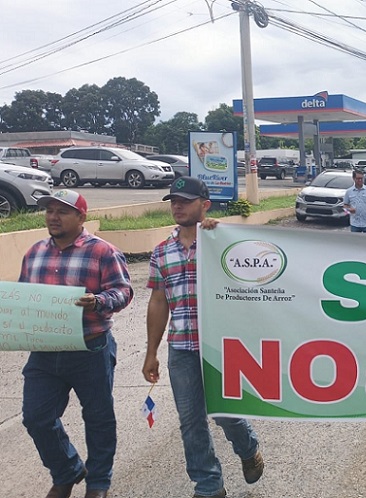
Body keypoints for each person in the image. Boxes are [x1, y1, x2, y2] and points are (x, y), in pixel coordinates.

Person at [143, 177, 264, 498]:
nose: (178, 206)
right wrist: (150, 351)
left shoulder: (221, 242)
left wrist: (222, 233)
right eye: (173, 201)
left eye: (185, 200)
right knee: (190, 422)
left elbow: (253, 278)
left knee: (225, 413)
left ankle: (248, 446)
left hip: (220, 347)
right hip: (181, 349)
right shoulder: (161, 252)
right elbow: (158, 301)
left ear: (204, 205)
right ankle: (209, 486)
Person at [20, 189, 133, 498]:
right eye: (49, 211)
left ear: (82, 217)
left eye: (62, 211)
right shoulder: (34, 253)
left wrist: (98, 301)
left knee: (98, 418)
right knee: (36, 417)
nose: (53, 217)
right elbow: (22, 297)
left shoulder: (103, 252)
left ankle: (98, 483)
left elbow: (124, 291)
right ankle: (67, 469)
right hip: (45, 351)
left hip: (90, 348)